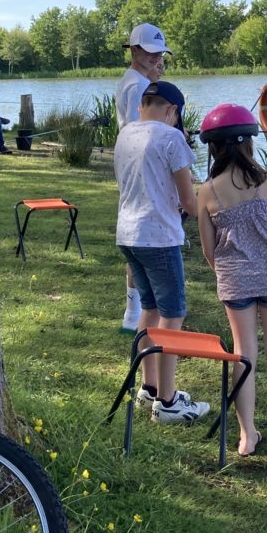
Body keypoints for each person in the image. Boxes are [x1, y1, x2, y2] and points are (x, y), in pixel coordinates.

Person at [196, 104, 267, 456]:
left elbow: (207, 250)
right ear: (249, 144)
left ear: (214, 148)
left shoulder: (208, 191)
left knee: (243, 354)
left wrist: (230, 272)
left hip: (235, 281)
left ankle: (247, 438)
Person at [114, 80, 209, 424]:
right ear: (173, 111)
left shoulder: (124, 135)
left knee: (149, 308)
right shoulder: (172, 138)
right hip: (159, 238)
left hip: (127, 234)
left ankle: (148, 387)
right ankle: (168, 402)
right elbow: (189, 201)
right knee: (173, 313)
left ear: (143, 105)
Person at [114, 23, 171, 331]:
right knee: (145, 233)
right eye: (149, 52)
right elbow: (144, 130)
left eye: (159, 53)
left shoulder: (134, 80)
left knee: (136, 232)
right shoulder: (137, 85)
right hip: (141, 165)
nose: (156, 58)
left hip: (131, 161)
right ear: (134, 50)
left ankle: (134, 309)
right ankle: (140, 309)